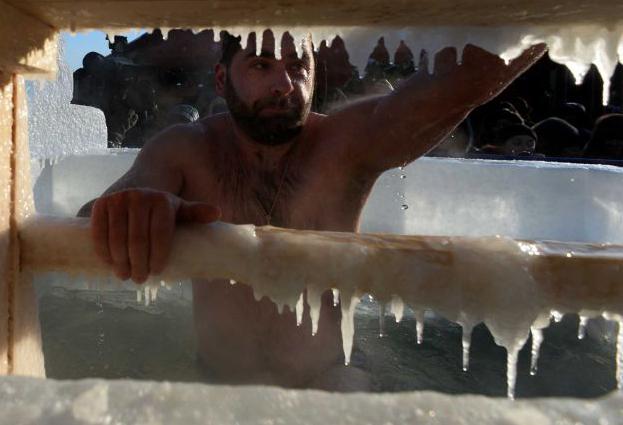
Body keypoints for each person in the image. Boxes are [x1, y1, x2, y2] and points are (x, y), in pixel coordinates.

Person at [78, 30, 546, 389]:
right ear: (222, 79)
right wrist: (135, 207)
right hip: (214, 381)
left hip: (333, 377)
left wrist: (550, 22)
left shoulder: (346, 146)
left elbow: (461, 83)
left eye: (298, 65)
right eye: (261, 65)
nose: (284, 84)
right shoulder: (186, 150)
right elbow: (90, 217)